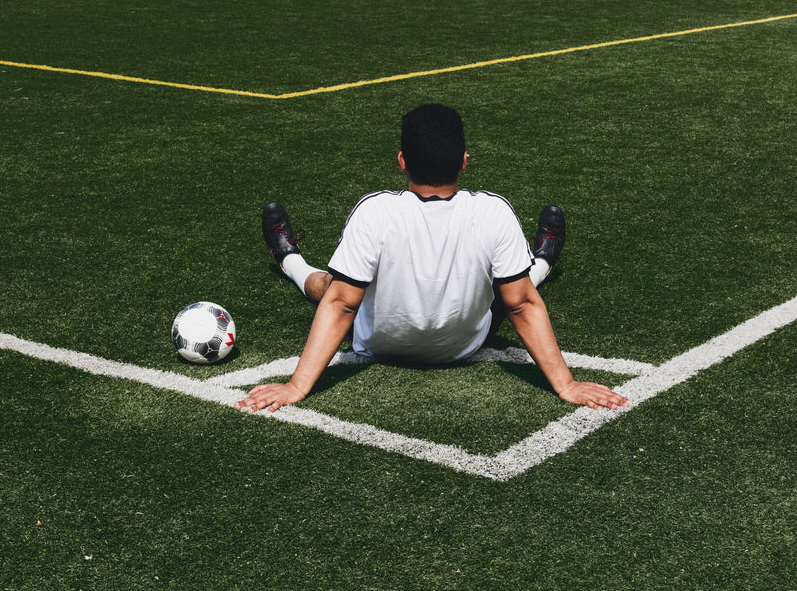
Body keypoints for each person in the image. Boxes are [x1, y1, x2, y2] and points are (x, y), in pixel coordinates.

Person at [236, 104, 628, 414]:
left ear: (402, 161)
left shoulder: (375, 211)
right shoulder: (493, 212)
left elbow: (340, 304)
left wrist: (297, 386)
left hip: (376, 343)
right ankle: (542, 259)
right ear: (464, 160)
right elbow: (522, 304)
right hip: (461, 347)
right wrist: (566, 384)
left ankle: (289, 258)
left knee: (332, 286)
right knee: (510, 284)